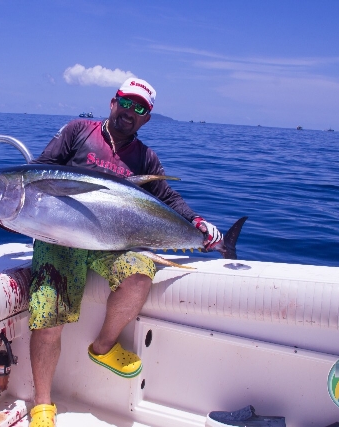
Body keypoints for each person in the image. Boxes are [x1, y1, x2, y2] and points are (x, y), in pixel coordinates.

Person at [27, 78, 223, 427]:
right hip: (61, 238)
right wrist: (0, 211)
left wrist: (198, 224)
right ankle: (42, 404)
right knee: (48, 313)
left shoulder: (146, 157)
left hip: (114, 242)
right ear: (112, 103)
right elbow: (39, 173)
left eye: (140, 109)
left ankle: (103, 346)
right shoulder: (77, 131)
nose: (130, 113)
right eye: (126, 104)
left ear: (147, 118)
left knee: (139, 274)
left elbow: (167, 200)